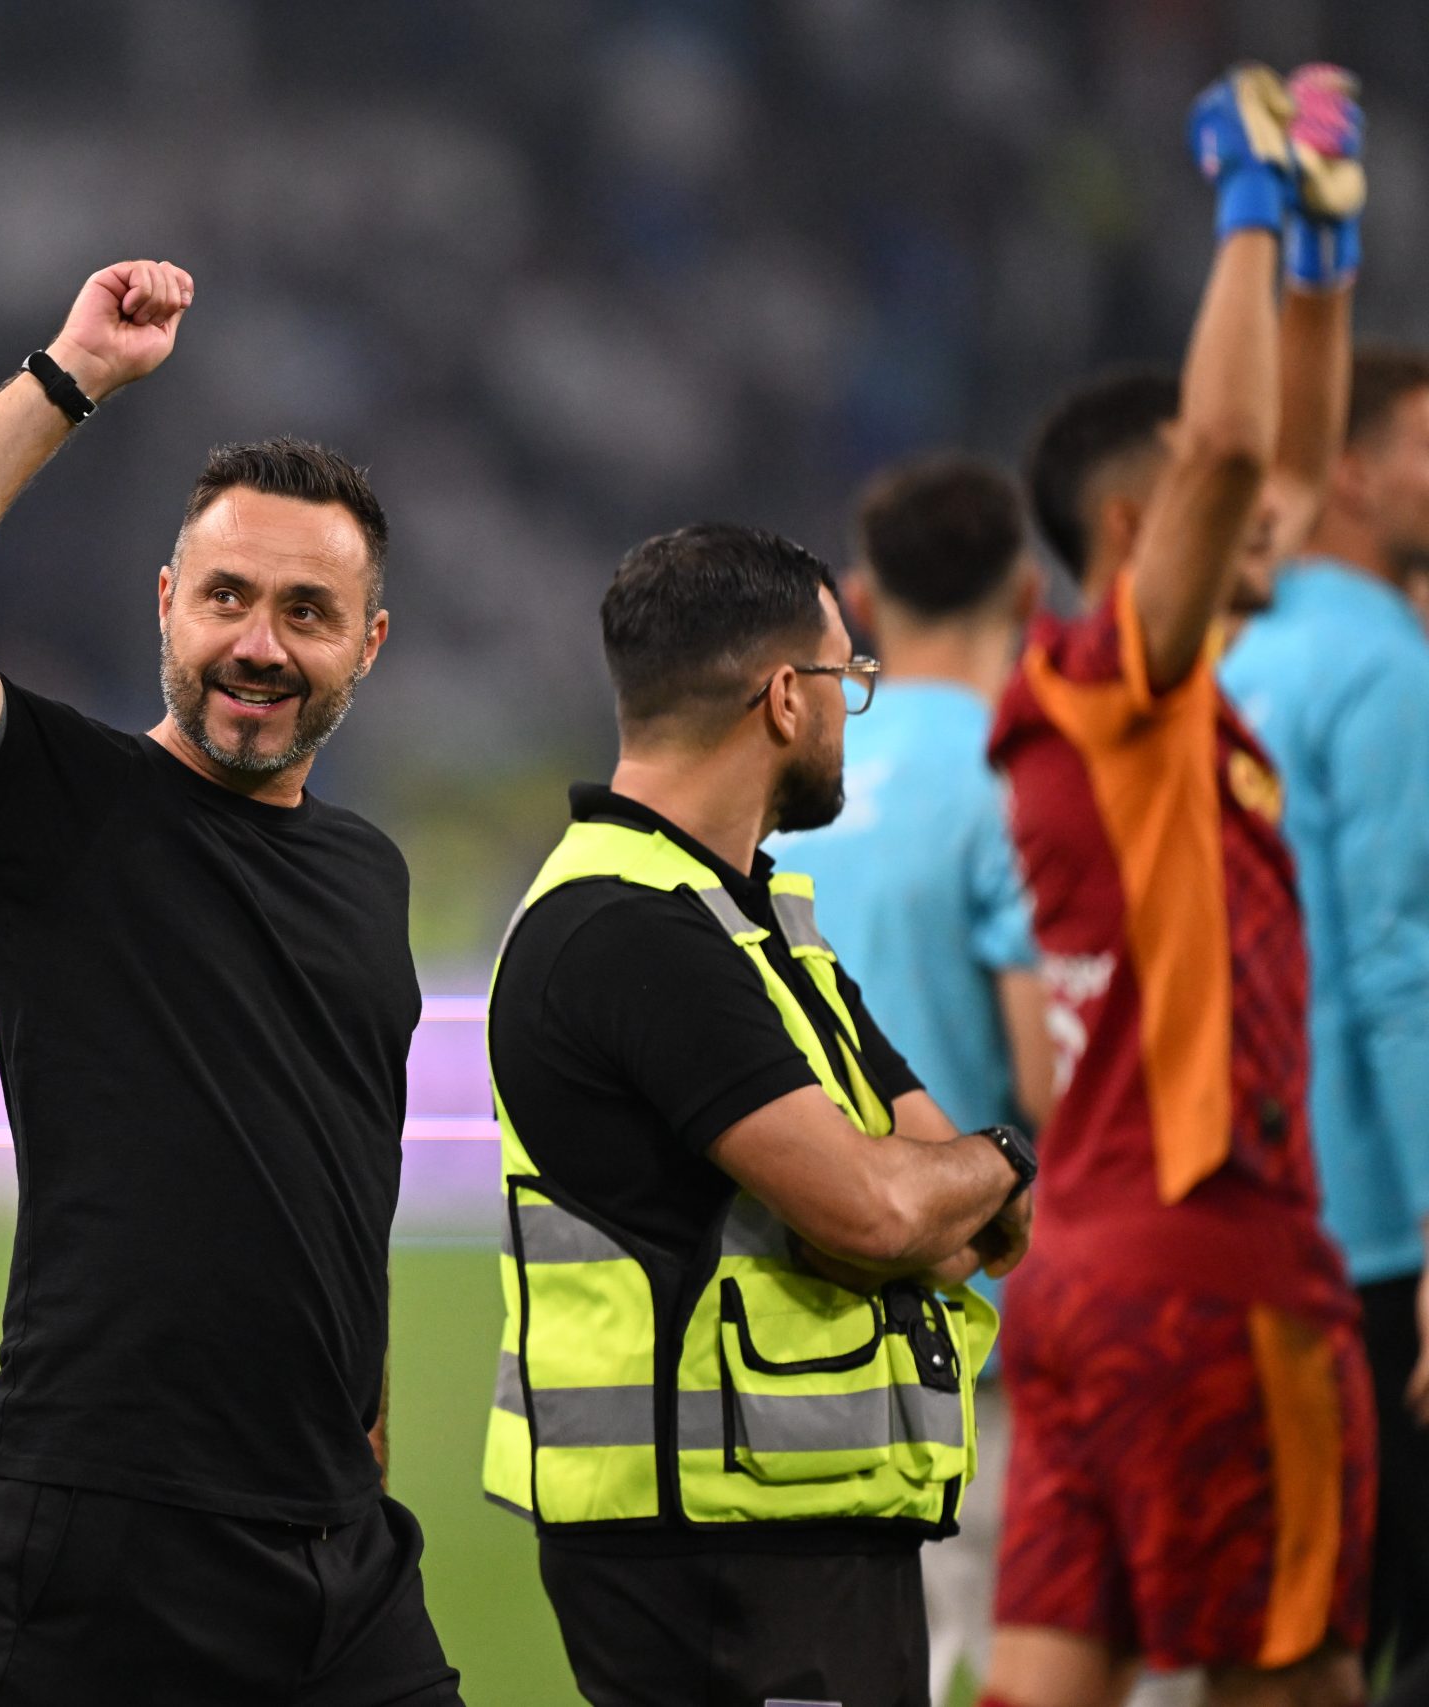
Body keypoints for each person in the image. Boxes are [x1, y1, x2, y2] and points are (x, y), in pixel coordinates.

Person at [0, 259, 461, 1705]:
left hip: (338, 1544)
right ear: (167, 603)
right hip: (109, 1533)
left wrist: (359, 1423)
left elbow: (337, 1171)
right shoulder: (63, 806)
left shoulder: (369, 874)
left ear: (367, 644)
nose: (258, 645)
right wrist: (72, 378)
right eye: (226, 596)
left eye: (307, 611)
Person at [481, 521, 1032, 1707]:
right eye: (845, 679)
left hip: (796, 1525)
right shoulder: (629, 932)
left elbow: (939, 1221)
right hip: (719, 1559)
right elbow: (885, 1213)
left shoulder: (754, 922)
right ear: (785, 697)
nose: (849, 710)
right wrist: (1003, 1157)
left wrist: (941, 1190)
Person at [983, 64, 1372, 1707]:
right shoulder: (1125, 689)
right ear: (1142, 527)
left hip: (1084, 1279)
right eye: (1224, 506)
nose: (1277, 506)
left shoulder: (1120, 701)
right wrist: (1247, 203)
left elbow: (1273, 470)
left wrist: (1322, 269)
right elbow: (1228, 450)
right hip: (1215, 1270)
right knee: (1294, 1683)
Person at [769, 455, 1058, 1700]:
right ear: (1028, 594)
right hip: (997, 1318)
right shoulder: (1030, 772)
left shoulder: (788, 785)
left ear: (863, 599)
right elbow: (1048, 1068)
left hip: (806, 1321)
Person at [1222, 344, 1429, 1683]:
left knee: (1303, 1627)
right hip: (1381, 1230)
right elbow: (1400, 966)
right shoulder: (1387, 670)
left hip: (1259, 1207)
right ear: (1349, 471)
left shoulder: (1239, 655)